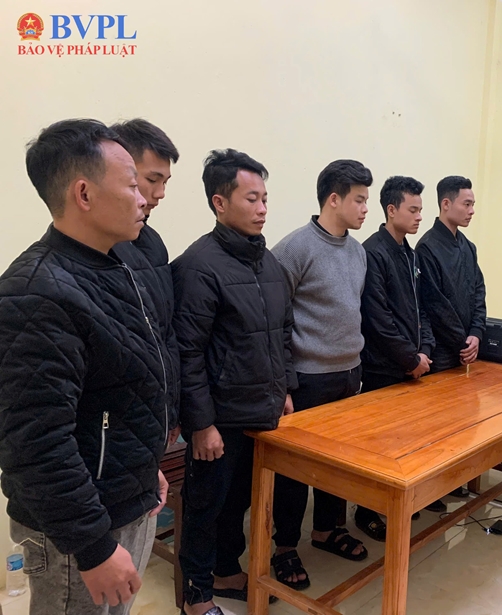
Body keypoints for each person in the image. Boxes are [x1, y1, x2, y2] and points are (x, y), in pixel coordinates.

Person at [0, 119, 174, 615]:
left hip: (126, 497)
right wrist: (93, 546)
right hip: (79, 529)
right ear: (83, 193)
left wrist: (144, 468)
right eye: (132, 185)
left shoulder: (112, 266)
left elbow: (122, 390)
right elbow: (34, 444)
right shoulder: (35, 293)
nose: (144, 199)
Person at [173, 149, 296, 615]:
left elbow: (282, 333)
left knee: (238, 502)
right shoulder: (198, 266)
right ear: (219, 202)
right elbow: (187, 353)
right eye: (251, 199)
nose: (262, 208)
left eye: (265, 198)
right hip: (218, 418)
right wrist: (201, 424)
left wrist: (284, 388)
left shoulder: (268, 263)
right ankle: (197, 598)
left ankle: (225, 571)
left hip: (260, 409)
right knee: (205, 507)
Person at [270, 159, 372, 589]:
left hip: (349, 373)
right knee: (295, 471)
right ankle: (284, 546)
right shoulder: (294, 249)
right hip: (307, 377)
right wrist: (284, 383)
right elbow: (275, 321)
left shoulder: (358, 251)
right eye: (359, 200)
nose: (366, 208)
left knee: (339, 464)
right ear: (334, 199)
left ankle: (327, 530)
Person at [357, 175, 435, 538]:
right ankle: (366, 510)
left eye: (420, 209)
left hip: (412, 364)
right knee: (378, 448)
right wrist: (410, 359)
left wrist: (425, 350)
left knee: (405, 444)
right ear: (392, 210)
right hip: (383, 367)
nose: (419, 217)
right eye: (413, 209)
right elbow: (378, 317)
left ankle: (398, 504)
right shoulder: (373, 252)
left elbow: (420, 310)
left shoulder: (410, 253)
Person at [416, 175, 487, 511]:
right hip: (443, 351)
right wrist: (462, 341)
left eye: (472, 204)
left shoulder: (468, 248)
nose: (471, 210)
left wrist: (477, 333)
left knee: (460, 424)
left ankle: (450, 480)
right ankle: (429, 491)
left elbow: (478, 293)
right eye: (466, 204)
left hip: (465, 348)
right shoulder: (427, 248)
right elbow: (434, 304)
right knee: (434, 427)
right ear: (446, 204)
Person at [110, 119, 182, 446]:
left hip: (155, 418)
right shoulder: (100, 246)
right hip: (114, 429)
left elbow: (166, 334)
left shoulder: (152, 242)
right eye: (152, 180)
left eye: (165, 182)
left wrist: (172, 411)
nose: (160, 194)